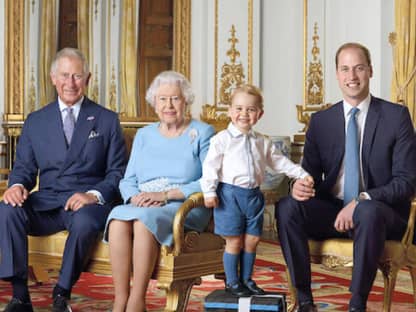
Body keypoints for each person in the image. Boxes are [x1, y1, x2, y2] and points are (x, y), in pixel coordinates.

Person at [276, 42, 416, 312]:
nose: (352, 76)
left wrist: (363, 199)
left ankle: (356, 304)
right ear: (337, 75)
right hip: (335, 210)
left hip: (381, 212)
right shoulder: (321, 121)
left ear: (370, 71)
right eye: (345, 69)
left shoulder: (396, 117)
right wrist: (298, 187)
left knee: (368, 211)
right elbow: (310, 175)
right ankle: (304, 300)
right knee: (287, 207)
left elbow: (406, 181)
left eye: (359, 68)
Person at [0, 48, 127, 312]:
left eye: (77, 76)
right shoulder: (36, 121)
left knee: (84, 220)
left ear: (88, 79)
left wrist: (93, 194)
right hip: (47, 201)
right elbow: (23, 168)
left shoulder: (106, 119)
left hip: (87, 204)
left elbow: (117, 173)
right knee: (7, 209)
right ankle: (20, 296)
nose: (71, 83)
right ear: (53, 78)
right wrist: (16, 186)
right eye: (65, 76)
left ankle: (61, 294)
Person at [104, 70, 215, 312]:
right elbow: (128, 179)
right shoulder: (144, 135)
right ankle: (120, 299)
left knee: (143, 221)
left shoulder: (202, 132)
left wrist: (165, 195)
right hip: (143, 203)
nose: (169, 105)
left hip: (183, 205)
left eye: (175, 98)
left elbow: (209, 180)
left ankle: (137, 300)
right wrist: (135, 197)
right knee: (117, 220)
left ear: (186, 101)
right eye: (162, 99)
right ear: (154, 103)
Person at [200, 84, 313, 297]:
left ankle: (247, 279)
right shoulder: (221, 140)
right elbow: (210, 167)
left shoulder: (262, 141)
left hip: (254, 196)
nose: (244, 114)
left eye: (250, 110)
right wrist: (209, 192)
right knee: (234, 240)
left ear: (259, 114)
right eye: (239, 109)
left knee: (252, 240)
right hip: (229, 195)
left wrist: (300, 174)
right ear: (230, 112)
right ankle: (232, 282)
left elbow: (280, 162)